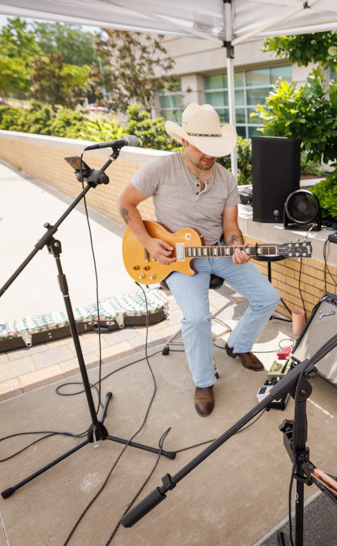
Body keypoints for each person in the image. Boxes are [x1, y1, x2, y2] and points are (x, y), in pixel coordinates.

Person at [117, 103, 280, 417]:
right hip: (174, 258)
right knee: (196, 319)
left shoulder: (227, 179)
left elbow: (231, 227)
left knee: (268, 296)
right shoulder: (159, 169)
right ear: (183, 142)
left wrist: (237, 247)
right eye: (202, 148)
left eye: (214, 149)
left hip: (216, 252)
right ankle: (204, 380)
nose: (209, 155)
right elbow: (126, 204)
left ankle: (239, 344)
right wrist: (149, 242)